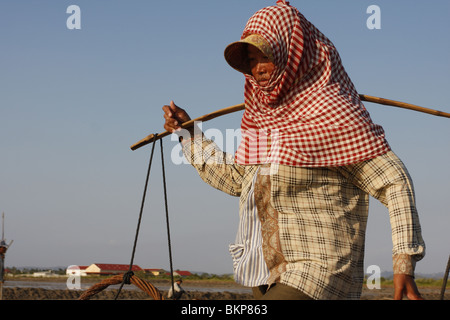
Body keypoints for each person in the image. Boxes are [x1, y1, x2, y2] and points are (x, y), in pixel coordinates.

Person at [162, 1, 425, 300]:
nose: (258, 68)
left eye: (267, 56)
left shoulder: (334, 115)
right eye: (251, 59)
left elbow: (394, 182)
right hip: (266, 271)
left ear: (294, 54)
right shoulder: (261, 120)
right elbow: (237, 179)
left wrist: (404, 262)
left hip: (320, 270)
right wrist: (188, 133)